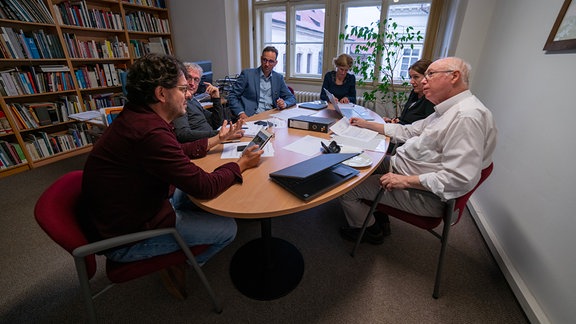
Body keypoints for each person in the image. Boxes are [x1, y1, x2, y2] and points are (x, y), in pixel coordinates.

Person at [78, 54, 263, 268]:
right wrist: (241, 164)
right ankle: (186, 264)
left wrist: (216, 141)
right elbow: (205, 187)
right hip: (127, 237)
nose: (188, 95)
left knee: (199, 196)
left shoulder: (137, 116)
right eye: (183, 89)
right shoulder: (149, 132)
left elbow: (175, 150)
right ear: (161, 93)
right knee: (228, 229)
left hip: (138, 206)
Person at [339, 57, 497, 244]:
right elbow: (408, 130)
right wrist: (367, 124)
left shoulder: (466, 117)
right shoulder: (447, 110)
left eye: (430, 74)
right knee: (361, 159)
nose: (423, 80)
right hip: (405, 168)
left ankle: (369, 231)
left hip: (423, 193)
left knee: (346, 190)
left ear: (454, 76)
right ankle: (375, 213)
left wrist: (405, 180)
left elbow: (459, 178)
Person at [173, 62, 242, 142]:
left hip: (213, 142)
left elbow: (217, 124)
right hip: (202, 147)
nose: (192, 83)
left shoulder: (193, 100)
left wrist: (216, 99)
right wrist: (219, 134)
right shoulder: (179, 103)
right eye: (188, 77)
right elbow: (183, 134)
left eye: (196, 80)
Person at [228, 46, 297, 120]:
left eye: (271, 61)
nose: (267, 64)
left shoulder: (278, 78)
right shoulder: (247, 74)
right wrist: (241, 113)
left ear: (275, 63)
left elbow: (291, 98)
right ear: (261, 59)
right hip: (251, 117)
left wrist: (284, 104)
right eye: (265, 60)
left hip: (271, 117)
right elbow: (232, 96)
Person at [384, 59, 435, 125]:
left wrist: (398, 125)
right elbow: (406, 118)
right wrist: (395, 120)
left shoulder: (432, 100)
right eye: (410, 77)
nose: (411, 82)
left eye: (416, 77)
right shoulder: (414, 93)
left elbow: (421, 128)